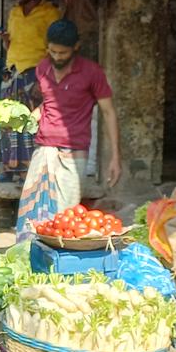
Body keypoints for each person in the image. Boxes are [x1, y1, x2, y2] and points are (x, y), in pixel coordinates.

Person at [16, 20, 121, 239]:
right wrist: (33, 115)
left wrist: (115, 158)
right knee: (31, 215)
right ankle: (31, 257)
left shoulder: (92, 73)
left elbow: (109, 112)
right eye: (52, 51)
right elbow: (50, 102)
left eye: (62, 53)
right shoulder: (42, 68)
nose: (57, 57)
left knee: (65, 220)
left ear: (76, 47)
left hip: (74, 153)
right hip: (44, 150)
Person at [0, 0, 60, 182]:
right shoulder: (14, 13)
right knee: (8, 121)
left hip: (35, 72)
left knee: (32, 122)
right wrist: (6, 42)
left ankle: (30, 170)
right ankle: (11, 168)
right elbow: (13, 44)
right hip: (11, 72)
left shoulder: (50, 13)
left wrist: (46, 79)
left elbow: (55, 48)